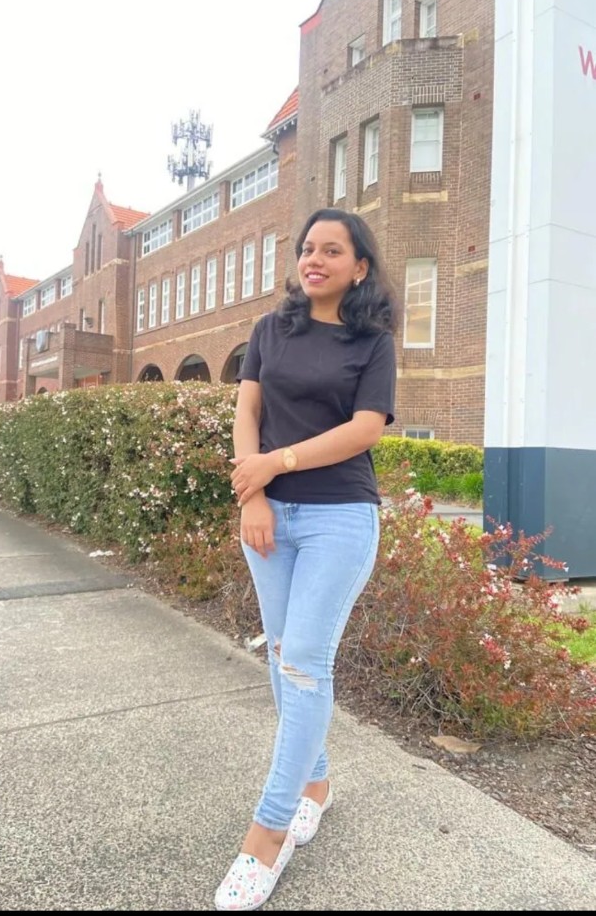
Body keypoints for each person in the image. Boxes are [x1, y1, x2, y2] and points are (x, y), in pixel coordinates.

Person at [214, 208, 398, 911]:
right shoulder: (270, 330)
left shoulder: (371, 342)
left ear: (359, 267)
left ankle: (267, 835)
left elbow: (365, 428)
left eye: (332, 250)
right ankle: (315, 783)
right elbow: (247, 414)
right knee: (282, 654)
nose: (314, 259)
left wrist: (277, 463)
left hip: (338, 517)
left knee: (304, 664)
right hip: (268, 517)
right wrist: (254, 494)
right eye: (307, 248)